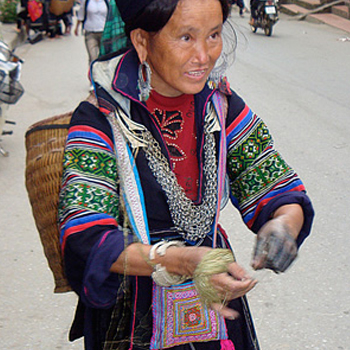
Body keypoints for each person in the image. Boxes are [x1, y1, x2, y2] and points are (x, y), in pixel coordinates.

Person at [58, 0, 314, 349]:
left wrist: (284, 224)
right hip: (132, 316)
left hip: (215, 309)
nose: (203, 56)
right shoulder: (100, 118)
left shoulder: (221, 106)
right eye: (185, 38)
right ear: (142, 42)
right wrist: (179, 259)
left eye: (213, 35)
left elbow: (276, 185)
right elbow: (85, 235)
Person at [74, 0, 109, 88]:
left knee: (104, 57)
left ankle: (104, 80)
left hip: (104, 32)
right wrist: (77, 27)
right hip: (90, 33)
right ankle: (93, 81)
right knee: (93, 57)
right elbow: (81, 15)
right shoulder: (86, 1)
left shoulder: (106, 1)